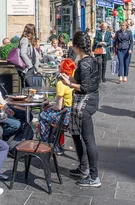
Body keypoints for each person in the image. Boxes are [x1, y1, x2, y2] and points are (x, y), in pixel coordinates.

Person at [60, 31, 101, 188]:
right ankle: (83, 168)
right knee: (77, 135)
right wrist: (68, 78)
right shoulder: (91, 60)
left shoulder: (84, 63)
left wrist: (69, 84)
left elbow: (84, 87)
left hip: (85, 103)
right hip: (90, 101)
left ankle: (94, 176)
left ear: (76, 47)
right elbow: (83, 81)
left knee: (88, 140)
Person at [38, 58, 75, 153]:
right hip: (71, 113)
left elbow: (58, 107)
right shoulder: (73, 81)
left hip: (64, 116)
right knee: (50, 116)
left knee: (42, 115)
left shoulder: (61, 83)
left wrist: (50, 107)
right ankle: (56, 145)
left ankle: (45, 142)